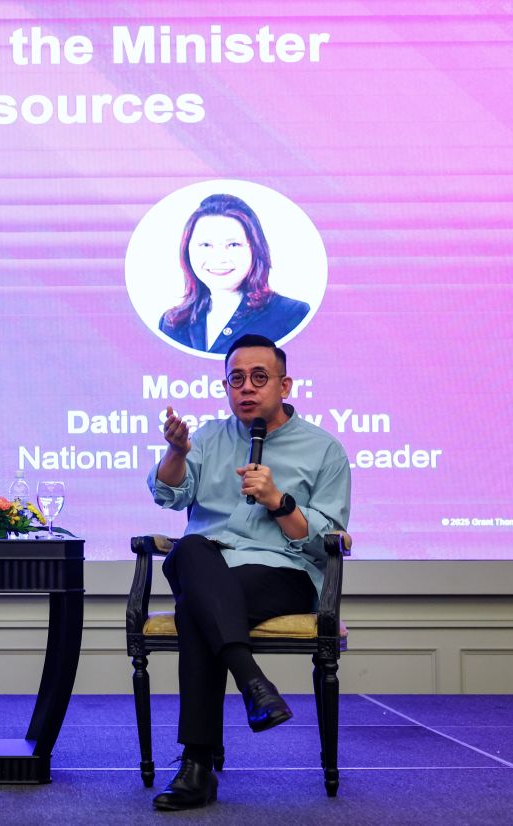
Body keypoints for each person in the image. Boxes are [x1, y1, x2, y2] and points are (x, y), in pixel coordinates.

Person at [146, 333, 350, 811]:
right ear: (225, 387)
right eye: (236, 379)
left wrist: (279, 501)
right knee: (192, 550)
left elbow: (327, 541)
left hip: (282, 573)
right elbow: (168, 495)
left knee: (198, 607)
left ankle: (196, 767)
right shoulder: (207, 439)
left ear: (285, 385)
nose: (247, 388)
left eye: (260, 377)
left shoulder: (324, 449)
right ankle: (253, 682)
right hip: (208, 566)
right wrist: (176, 452)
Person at [158, 194, 310, 354]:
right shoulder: (171, 322)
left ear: (256, 250)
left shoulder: (292, 315)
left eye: (233, 245)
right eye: (206, 245)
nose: (219, 258)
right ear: (187, 250)